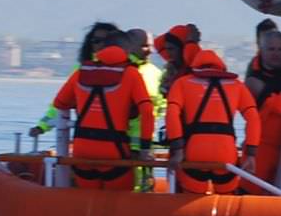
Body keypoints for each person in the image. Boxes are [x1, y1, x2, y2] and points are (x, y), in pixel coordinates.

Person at [46, 41, 153, 190]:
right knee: (120, 205)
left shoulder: (82, 72)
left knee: (88, 204)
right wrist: (145, 149)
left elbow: (59, 103)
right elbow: (147, 111)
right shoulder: (131, 74)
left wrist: (83, 102)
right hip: (114, 151)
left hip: (81, 151)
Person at [167, 43, 259, 195]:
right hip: (225, 153)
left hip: (194, 153)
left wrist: (177, 149)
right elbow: (253, 117)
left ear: (195, 67)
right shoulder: (237, 85)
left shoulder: (182, 83)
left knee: (191, 206)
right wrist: (250, 153)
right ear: (221, 67)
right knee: (226, 204)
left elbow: (171, 113)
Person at [34, 20, 120, 135]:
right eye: (96, 41)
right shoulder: (81, 70)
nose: (101, 45)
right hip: (87, 135)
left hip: (118, 137)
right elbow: (61, 102)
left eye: (106, 41)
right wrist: (42, 126)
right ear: (90, 44)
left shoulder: (127, 70)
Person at [245, 28, 281, 184]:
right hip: (260, 150)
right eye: (271, 49)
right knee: (252, 193)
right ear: (261, 50)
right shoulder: (254, 81)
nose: (276, 54)